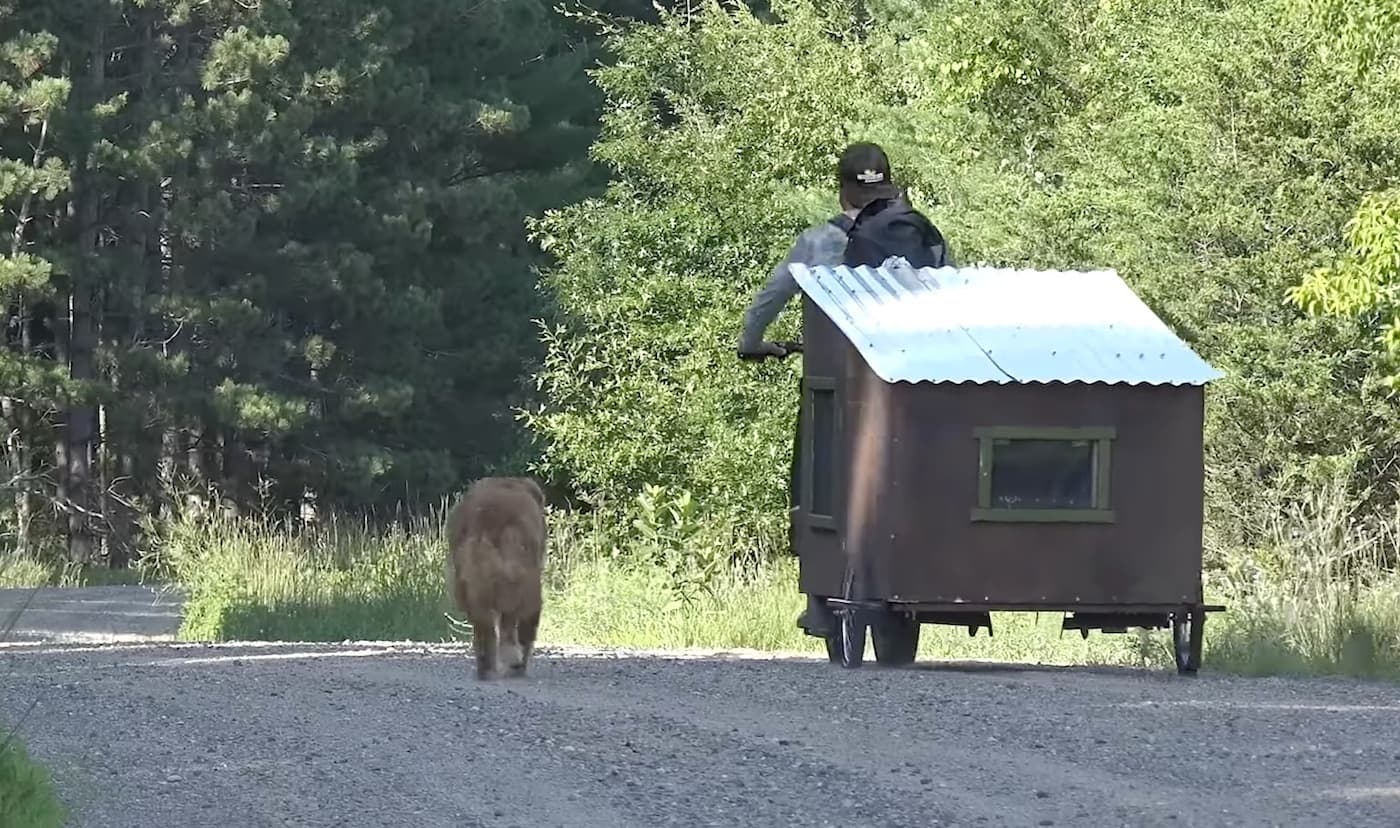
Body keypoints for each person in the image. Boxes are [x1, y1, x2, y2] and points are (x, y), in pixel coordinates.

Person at [736, 141, 951, 638]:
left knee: (814, 482)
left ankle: (819, 602)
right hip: (911, 382)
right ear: (891, 186)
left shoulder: (817, 242)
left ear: (843, 191)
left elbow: (768, 299)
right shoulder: (919, 234)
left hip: (840, 383)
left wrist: (753, 344)